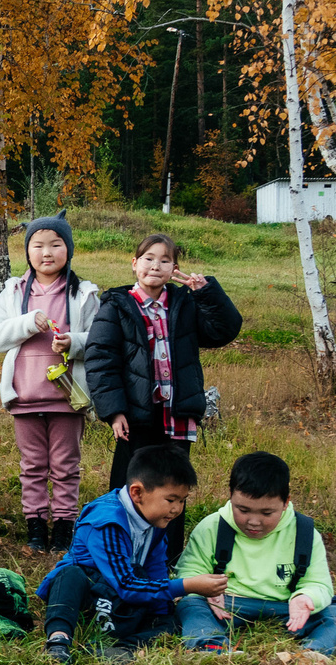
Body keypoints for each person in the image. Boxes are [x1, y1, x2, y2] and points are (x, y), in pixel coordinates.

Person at [80, 233, 243, 558]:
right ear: (135, 264)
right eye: (149, 258)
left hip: (177, 414)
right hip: (137, 417)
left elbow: (224, 330)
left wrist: (206, 292)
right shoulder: (117, 305)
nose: (156, 266)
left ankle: (166, 557)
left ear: (175, 268)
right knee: (132, 486)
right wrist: (114, 411)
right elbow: (100, 359)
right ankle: (121, 551)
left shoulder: (185, 303)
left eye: (165, 260)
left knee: (172, 486)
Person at [38, 443, 228, 665]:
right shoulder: (107, 521)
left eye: (182, 500)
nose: (177, 509)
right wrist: (187, 585)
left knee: (171, 621)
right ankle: (59, 639)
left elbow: (156, 570)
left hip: (118, 600)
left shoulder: (156, 519)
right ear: (137, 493)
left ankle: (120, 649)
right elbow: (126, 585)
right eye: (171, 499)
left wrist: (161, 615)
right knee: (69, 575)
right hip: (86, 596)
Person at [0, 216, 101, 552]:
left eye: (55, 244)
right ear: (28, 252)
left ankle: (63, 526)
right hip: (25, 394)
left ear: (69, 249)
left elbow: (101, 340)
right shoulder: (14, 291)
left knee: (65, 464)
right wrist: (26, 323)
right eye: (38, 245)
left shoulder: (84, 293)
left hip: (68, 397)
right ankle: (35, 526)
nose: (47, 253)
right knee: (32, 464)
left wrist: (73, 342)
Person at [179, 451, 336, 658]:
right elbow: (189, 572)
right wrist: (205, 589)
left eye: (266, 513)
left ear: (285, 502)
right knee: (190, 605)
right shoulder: (211, 527)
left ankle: (310, 654)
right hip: (227, 604)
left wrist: (306, 598)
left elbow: (319, 583)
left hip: (286, 609)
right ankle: (212, 648)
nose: (254, 521)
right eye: (243, 510)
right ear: (230, 496)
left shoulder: (305, 533)